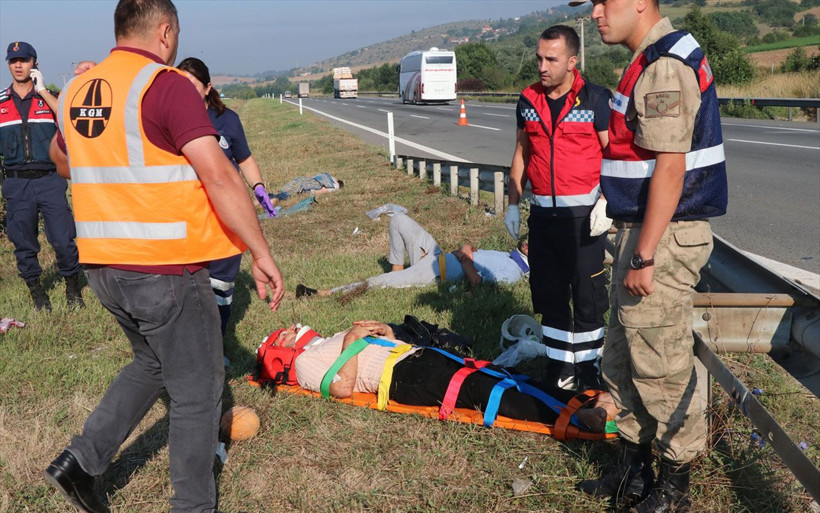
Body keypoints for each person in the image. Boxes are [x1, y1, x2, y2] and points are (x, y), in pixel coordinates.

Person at [44, 1, 285, 512]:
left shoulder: (79, 90)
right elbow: (219, 174)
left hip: (102, 266)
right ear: (165, 30)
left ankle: (81, 463)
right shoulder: (165, 83)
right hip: (165, 268)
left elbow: (60, 159)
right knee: (199, 391)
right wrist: (259, 251)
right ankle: (193, 506)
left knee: (152, 362)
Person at [571, 1, 728, 511]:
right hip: (639, 231)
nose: (595, 13)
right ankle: (635, 475)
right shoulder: (646, 57)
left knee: (661, 365)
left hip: (661, 237)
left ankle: (675, 488)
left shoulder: (664, 63)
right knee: (624, 357)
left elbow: (670, 168)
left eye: (603, 1)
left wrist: (643, 256)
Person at [504, 25, 612, 392]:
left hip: (583, 220)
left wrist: (608, 200)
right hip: (544, 219)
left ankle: (588, 370)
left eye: (551, 59)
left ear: (572, 61)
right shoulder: (527, 101)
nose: (542, 66)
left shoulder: (595, 100)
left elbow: (613, 154)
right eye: (539, 58)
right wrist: (514, 203)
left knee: (587, 296)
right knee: (549, 295)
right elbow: (522, 152)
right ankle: (559, 367)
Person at [271, 320, 619, 433]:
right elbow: (343, 388)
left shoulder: (324, 340)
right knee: (483, 389)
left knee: (499, 373)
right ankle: (576, 417)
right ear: (281, 349)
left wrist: (385, 334)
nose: (290, 329)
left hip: (414, 357)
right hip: (402, 378)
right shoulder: (304, 363)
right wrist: (350, 340)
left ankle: (583, 400)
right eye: (281, 333)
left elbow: (368, 350)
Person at [176, 57, 277, 338]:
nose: (185, 93)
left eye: (191, 86)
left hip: (226, 218)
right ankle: (194, 343)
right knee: (191, 288)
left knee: (220, 286)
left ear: (208, 88)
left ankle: (217, 342)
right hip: (190, 218)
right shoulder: (173, 120)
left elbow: (244, 159)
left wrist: (258, 188)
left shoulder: (227, 119)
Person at [1, 41, 83, 311]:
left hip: (50, 179)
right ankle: (38, 295)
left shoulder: (48, 99)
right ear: (9, 65)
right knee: (23, 241)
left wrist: (43, 90)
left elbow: (69, 120)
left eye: (24, 60)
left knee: (63, 238)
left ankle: (73, 289)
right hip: (16, 183)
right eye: (13, 61)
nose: (18, 65)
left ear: (34, 63)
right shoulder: (0, 102)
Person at [296, 212, 529, 298]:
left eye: (532, 242)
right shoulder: (507, 256)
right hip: (436, 254)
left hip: (436, 271)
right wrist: (468, 250)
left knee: (379, 282)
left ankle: (321, 294)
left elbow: (478, 284)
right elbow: (475, 254)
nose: (527, 239)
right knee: (397, 218)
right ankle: (398, 271)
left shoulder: (513, 272)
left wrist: (465, 257)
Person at [269, 172, 343, 203]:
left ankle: (272, 197)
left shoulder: (328, 176)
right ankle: (275, 198)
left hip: (304, 180)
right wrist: (311, 193)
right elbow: (322, 191)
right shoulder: (334, 186)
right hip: (308, 186)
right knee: (284, 196)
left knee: (286, 190)